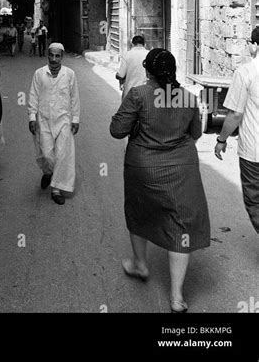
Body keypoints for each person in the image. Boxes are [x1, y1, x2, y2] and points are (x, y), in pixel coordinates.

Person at [109, 48, 210, 313]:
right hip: (182, 169)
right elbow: (195, 133)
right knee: (181, 225)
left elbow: (116, 130)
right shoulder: (187, 98)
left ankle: (140, 264)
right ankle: (177, 297)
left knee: (139, 212)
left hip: (143, 168)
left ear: (148, 71)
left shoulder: (139, 95)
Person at [215, 26, 259, 233]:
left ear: (254, 46)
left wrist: (222, 139)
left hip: (254, 151)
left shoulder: (246, 72)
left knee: (254, 200)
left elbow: (235, 114)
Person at [27, 43, 80, 205]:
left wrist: (76, 119)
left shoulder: (69, 74)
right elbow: (33, 95)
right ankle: (48, 172)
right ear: (47, 55)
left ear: (62, 57)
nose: (54, 59)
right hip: (43, 120)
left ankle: (56, 189)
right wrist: (32, 117)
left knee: (62, 155)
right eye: (52, 55)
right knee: (47, 154)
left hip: (64, 120)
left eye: (58, 56)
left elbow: (74, 98)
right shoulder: (39, 74)